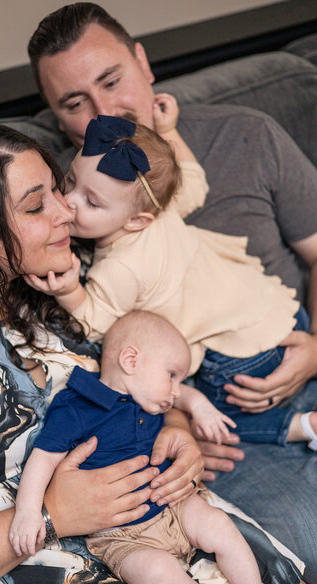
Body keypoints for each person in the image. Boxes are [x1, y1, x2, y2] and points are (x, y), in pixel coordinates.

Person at [27, 3, 317, 584]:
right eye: (74, 103)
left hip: (291, 341)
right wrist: (175, 424)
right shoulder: (66, 202)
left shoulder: (245, 133)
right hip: (210, 417)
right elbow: (103, 354)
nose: (103, 111)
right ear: (58, 119)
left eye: (111, 81)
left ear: (143, 62)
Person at [0, 120, 205, 584]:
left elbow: (138, 360)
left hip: (168, 515)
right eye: (36, 205)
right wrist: (53, 514)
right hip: (49, 564)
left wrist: (175, 424)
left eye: (58, 188)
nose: (66, 210)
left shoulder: (61, 277)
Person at [29, 112, 317, 450]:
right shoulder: (161, 206)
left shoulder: (121, 266)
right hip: (283, 313)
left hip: (241, 356)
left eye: (92, 201)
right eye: (70, 180)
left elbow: (98, 322)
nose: (71, 203)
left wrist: (70, 290)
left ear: (137, 221)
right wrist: (169, 131)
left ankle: (301, 426)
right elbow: (195, 183)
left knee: (208, 413)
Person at [9, 310, 296, 584]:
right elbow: (43, 458)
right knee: (158, 573)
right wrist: (29, 512)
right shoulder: (77, 405)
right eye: (171, 376)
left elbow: (182, 395)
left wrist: (200, 406)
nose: (175, 392)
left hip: (174, 506)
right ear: (131, 361)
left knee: (219, 524)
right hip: (117, 535)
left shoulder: (147, 397)